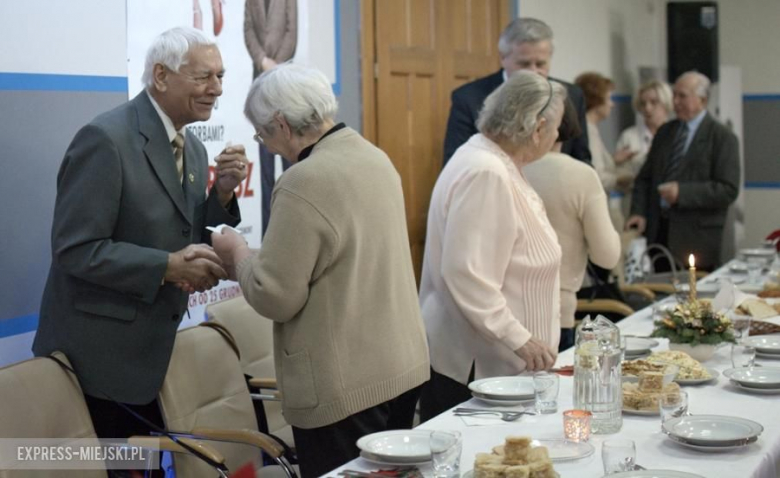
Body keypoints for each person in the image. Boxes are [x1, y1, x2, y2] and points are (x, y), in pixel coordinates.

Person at [211, 64, 430, 478]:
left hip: (347, 384)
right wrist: (253, 258)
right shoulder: (373, 156)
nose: (268, 146)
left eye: (263, 135)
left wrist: (236, 250)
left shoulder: (303, 180)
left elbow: (275, 296)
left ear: (280, 124)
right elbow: (338, 256)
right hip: (400, 367)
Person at [33, 27, 247, 441]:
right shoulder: (105, 139)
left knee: (144, 466)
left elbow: (190, 236)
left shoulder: (196, 149)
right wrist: (165, 267)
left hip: (150, 356)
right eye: (204, 76)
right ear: (161, 76)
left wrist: (221, 193)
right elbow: (75, 250)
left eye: (220, 76)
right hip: (99, 362)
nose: (217, 89)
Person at [419, 71, 564, 421]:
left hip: (500, 366)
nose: (559, 136)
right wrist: (521, 339)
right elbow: (467, 274)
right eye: (557, 127)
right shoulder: (486, 171)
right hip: (479, 369)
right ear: (538, 127)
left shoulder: (496, 161)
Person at [524, 99, 621, 351]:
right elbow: (607, 256)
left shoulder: (510, 166)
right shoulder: (581, 174)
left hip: (505, 310)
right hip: (556, 307)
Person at [626, 71, 740, 271]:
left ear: (702, 100)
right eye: (674, 95)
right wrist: (638, 211)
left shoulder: (722, 137)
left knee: (695, 300)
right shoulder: (665, 132)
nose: (675, 101)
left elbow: (727, 189)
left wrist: (682, 193)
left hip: (697, 239)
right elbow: (644, 178)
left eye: (682, 96)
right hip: (659, 235)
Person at [442, 17, 590, 166]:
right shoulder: (469, 98)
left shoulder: (571, 96)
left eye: (540, 64)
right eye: (524, 64)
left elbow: (582, 159)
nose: (533, 72)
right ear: (503, 57)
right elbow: (456, 160)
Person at [575, 72, 632, 231]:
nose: (612, 104)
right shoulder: (588, 130)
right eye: (609, 98)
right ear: (596, 100)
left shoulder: (589, 128)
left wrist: (613, 161)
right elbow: (595, 176)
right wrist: (627, 178)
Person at [615, 80, 674, 218]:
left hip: (667, 206)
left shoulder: (675, 135)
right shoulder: (629, 136)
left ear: (666, 103)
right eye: (643, 103)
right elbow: (617, 177)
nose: (647, 108)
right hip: (635, 204)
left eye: (654, 102)